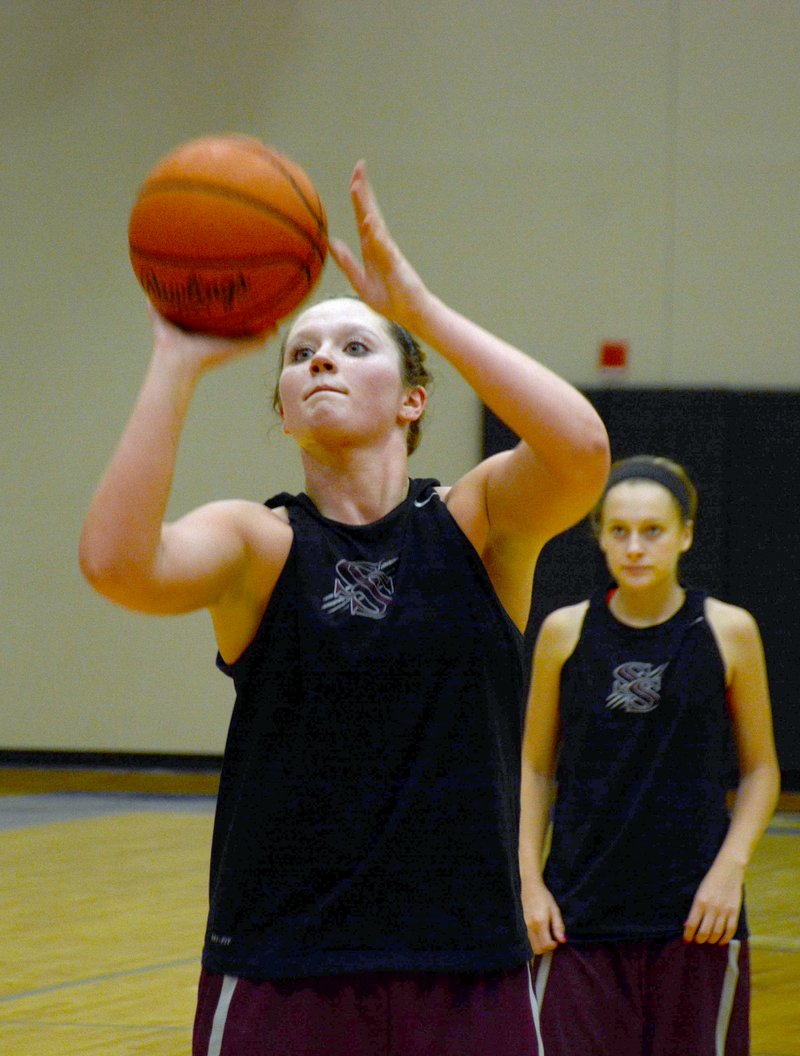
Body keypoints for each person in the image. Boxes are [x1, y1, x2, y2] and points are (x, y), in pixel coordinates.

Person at [79, 160, 610, 1056]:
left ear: (413, 400)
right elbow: (118, 565)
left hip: (464, 962)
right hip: (284, 964)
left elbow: (581, 450)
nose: (320, 355)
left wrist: (417, 309)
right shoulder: (259, 543)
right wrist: (175, 357)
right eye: (299, 352)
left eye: (357, 346)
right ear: (285, 412)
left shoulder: (475, 525)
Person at [520, 455, 781, 1056]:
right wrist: (528, 882)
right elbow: (534, 768)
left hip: (696, 916)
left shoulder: (729, 630)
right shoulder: (564, 631)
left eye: (653, 530)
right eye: (619, 531)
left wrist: (729, 871)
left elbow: (761, 769)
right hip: (577, 918)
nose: (635, 546)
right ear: (600, 538)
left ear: (685, 535)